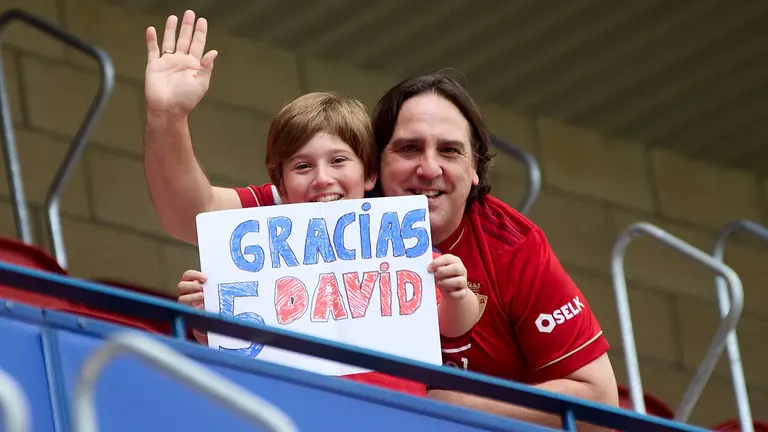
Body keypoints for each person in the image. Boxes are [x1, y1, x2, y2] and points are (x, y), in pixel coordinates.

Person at [143, 10, 618, 429]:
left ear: (475, 170)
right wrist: (168, 116)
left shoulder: (513, 247)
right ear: (376, 166)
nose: (429, 167)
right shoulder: (317, 203)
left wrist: (452, 406)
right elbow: (192, 213)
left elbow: (599, 402)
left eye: (450, 151)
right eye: (409, 148)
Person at [172, 90, 481, 396]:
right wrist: (202, 316)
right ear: (281, 185)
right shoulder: (257, 255)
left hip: (392, 410)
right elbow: (224, 343)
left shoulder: (400, 240)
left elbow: (453, 326)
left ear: (370, 173)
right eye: (302, 166)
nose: (322, 178)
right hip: (296, 407)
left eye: (338, 160)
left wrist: (456, 293)